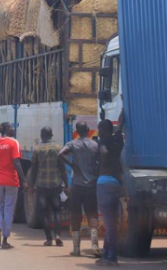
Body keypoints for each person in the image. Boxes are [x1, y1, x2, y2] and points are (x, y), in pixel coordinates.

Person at [58, 121, 101, 257]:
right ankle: (95, 246)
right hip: (91, 184)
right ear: (88, 130)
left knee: (76, 216)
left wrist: (71, 165)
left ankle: (76, 249)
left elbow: (60, 154)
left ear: (77, 130)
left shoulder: (72, 144)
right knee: (92, 215)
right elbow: (100, 162)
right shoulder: (95, 145)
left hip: (77, 185)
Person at [29, 126, 67, 247]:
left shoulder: (37, 149)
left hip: (41, 186)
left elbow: (34, 169)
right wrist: (66, 184)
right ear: (51, 135)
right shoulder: (57, 148)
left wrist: (31, 185)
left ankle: (49, 239)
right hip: (56, 185)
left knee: (44, 213)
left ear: (42, 135)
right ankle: (58, 235)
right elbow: (62, 168)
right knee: (56, 212)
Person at [0, 122, 26, 249]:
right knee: (9, 209)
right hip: (11, 180)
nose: (13, 129)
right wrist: (24, 180)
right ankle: (5, 240)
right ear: (8, 130)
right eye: (11, 127)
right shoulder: (13, 143)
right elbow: (16, 162)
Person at [95, 114, 124, 266]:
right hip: (116, 184)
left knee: (109, 224)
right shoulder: (118, 139)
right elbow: (119, 127)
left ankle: (112, 257)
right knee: (111, 222)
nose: (98, 132)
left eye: (99, 129)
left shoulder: (103, 142)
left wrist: (103, 160)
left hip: (104, 183)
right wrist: (121, 119)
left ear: (104, 130)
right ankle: (106, 254)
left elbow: (104, 152)